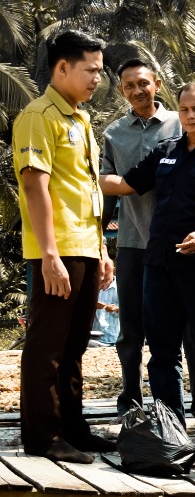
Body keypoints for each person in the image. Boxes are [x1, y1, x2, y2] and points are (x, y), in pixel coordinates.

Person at [98, 82, 195, 426]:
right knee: (162, 352)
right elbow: (125, 184)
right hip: (158, 264)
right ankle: (170, 427)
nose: (190, 115)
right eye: (184, 110)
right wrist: (79, 176)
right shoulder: (166, 150)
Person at [12, 29, 115, 463]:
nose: (98, 79)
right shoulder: (38, 116)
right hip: (59, 249)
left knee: (76, 345)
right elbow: (36, 188)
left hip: (87, 245)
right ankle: (43, 437)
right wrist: (50, 254)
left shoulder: (82, 119)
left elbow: (85, 188)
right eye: (90, 70)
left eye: (100, 70)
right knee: (47, 346)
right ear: (62, 68)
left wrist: (103, 251)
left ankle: (73, 428)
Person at [99, 58, 195, 418]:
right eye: (129, 85)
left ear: (156, 84)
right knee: (130, 329)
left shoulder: (182, 123)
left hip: (180, 244)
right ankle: (130, 398)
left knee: (189, 327)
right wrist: (101, 243)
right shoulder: (113, 134)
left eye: (143, 83)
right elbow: (106, 190)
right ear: (121, 91)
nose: (137, 91)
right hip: (131, 244)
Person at [91, 278, 120, 347]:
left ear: (112, 269)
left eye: (106, 268)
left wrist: (117, 309)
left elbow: (131, 309)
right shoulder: (92, 285)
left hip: (115, 340)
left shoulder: (121, 285)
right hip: (94, 340)